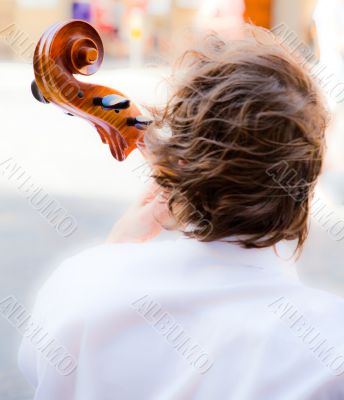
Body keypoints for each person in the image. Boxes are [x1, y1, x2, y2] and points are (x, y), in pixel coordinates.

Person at [19, 27, 344, 399]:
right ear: (306, 177)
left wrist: (113, 253)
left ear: (180, 163)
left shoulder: (76, 288)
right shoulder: (332, 350)